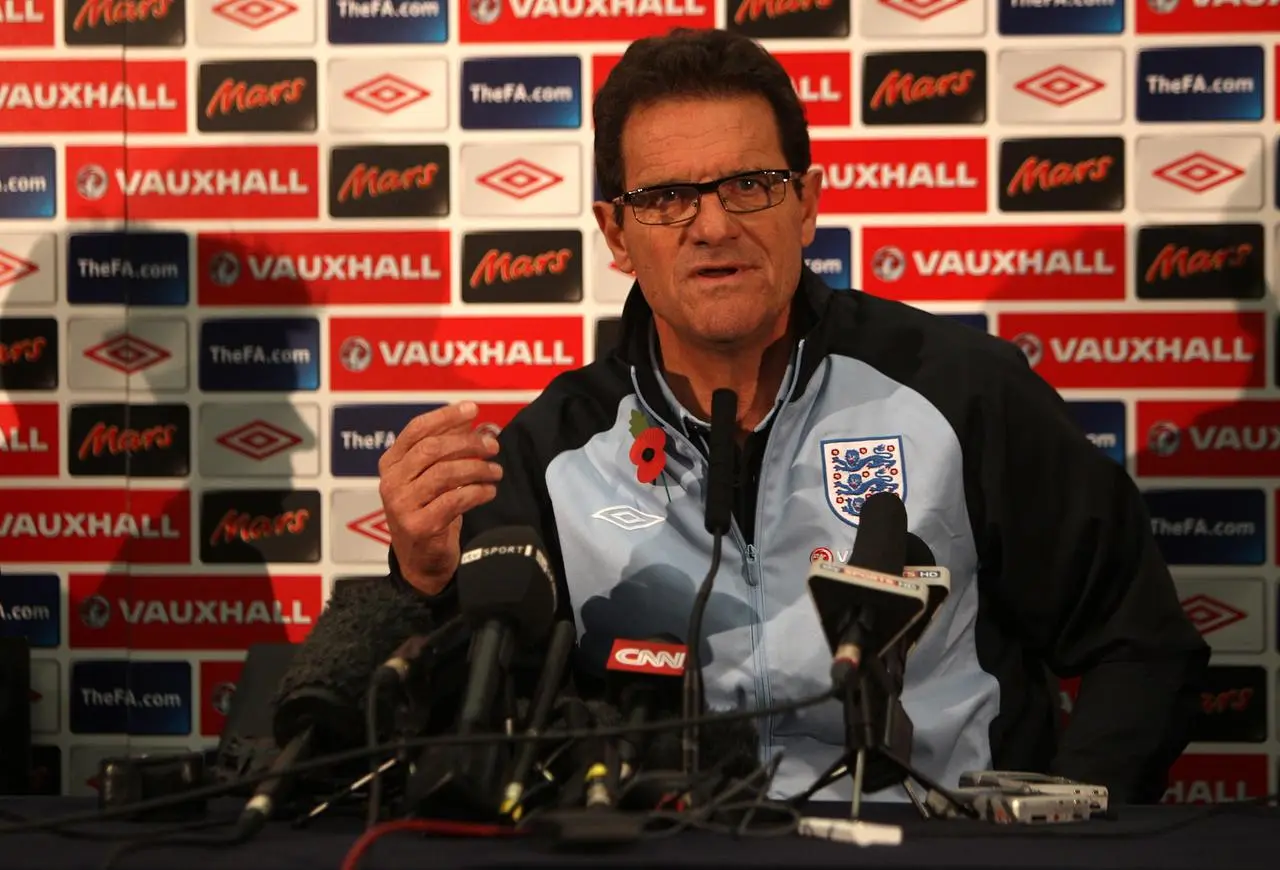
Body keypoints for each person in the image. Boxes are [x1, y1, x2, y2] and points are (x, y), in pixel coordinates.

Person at [377, 28, 1208, 804]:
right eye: (668, 197)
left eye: (749, 185)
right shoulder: (552, 450)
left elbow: (1141, 647)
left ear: (806, 204)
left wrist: (1059, 844)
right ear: (616, 233)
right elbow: (474, 736)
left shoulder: (959, 391)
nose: (713, 225)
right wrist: (426, 585)